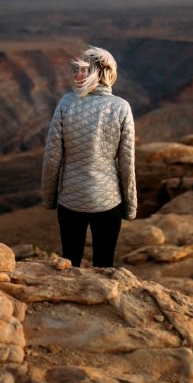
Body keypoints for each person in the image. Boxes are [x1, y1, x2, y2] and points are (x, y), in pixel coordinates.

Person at [41, 46, 136, 268]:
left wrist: (49, 198)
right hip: (108, 202)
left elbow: (52, 157)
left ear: (98, 74)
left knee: (69, 263)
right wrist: (130, 207)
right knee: (104, 265)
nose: (76, 75)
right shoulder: (121, 108)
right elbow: (127, 163)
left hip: (71, 202)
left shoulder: (67, 103)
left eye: (83, 70)